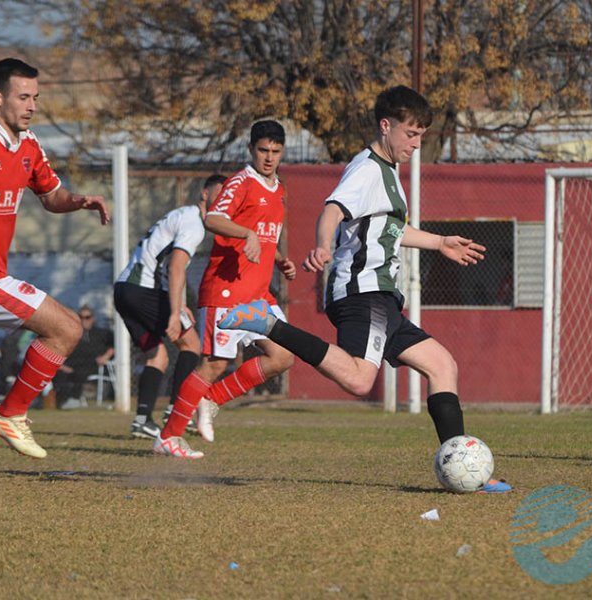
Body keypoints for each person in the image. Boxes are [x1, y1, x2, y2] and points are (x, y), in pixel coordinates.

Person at [218, 86, 511, 493]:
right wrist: (323, 243)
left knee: (443, 366)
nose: (417, 142)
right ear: (386, 126)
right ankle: (269, 326)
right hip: (363, 291)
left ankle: (463, 469)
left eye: (421, 134)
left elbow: (388, 230)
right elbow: (333, 210)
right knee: (359, 380)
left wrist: (440, 243)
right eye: (411, 133)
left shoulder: (388, 172)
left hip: (382, 295)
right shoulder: (369, 168)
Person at [0, 58, 110, 458]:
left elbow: (51, 197)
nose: (32, 105)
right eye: (23, 97)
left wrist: (79, 201)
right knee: (67, 328)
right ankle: (10, 414)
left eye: (35, 97)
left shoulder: (29, 146)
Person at [153, 120, 297, 458]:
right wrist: (246, 235)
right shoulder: (241, 182)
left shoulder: (279, 189)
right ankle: (169, 436)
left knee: (283, 356)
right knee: (216, 364)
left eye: (275, 152)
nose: (269, 157)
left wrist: (278, 259)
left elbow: (262, 232)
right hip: (227, 290)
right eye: (263, 150)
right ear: (251, 149)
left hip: (258, 293)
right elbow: (213, 218)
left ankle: (211, 400)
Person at [114, 175, 224, 438]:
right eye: (219, 194)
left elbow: (168, 265)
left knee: (157, 356)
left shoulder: (181, 215)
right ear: (205, 194)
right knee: (191, 345)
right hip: (144, 290)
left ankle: (142, 420)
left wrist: (180, 303)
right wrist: (175, 312)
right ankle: (177, 410)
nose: (223, 201)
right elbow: (175, 267)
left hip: (124, 290)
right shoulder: (194, 223)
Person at [51, 305, 114, 408]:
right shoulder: (73, 334)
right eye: (81, 317)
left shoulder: (102, 333)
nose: (84, 320)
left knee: (79, 372)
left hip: (93, 364)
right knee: (58, 372)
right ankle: (61, 400)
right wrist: (62, 365)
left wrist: (105, 357)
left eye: (87, 317)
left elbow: (115, 346)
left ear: (93, 318)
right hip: (71, 363)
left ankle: (74, 398)